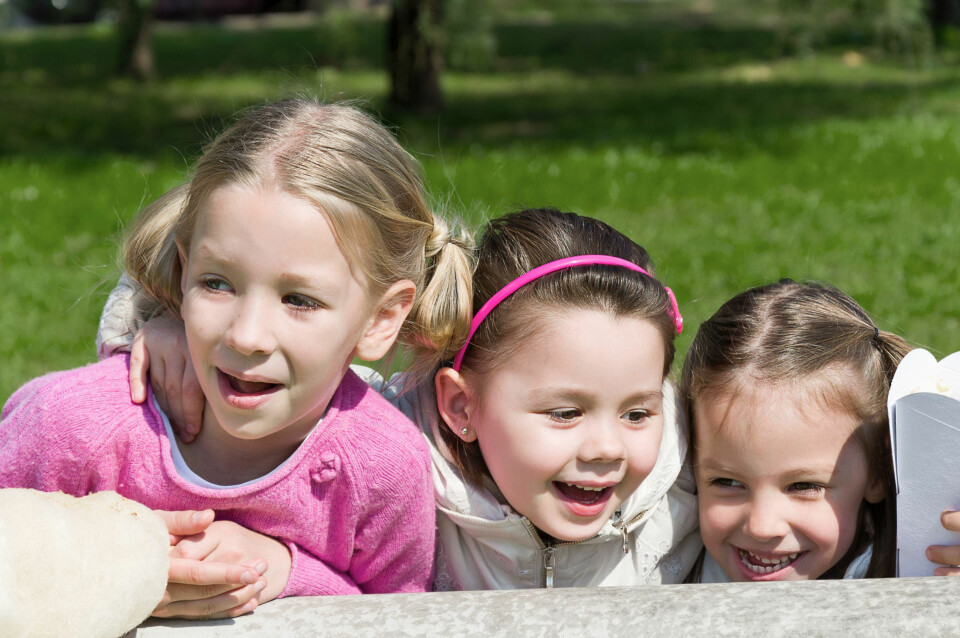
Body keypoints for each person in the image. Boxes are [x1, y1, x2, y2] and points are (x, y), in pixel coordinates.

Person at [1, 98, 474, 617]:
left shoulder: (385, 467)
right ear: (184, 273)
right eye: (217, 283)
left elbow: (402, 620)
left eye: (299, 300)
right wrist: (111, 564)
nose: (247, 337)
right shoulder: (65, 426)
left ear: (381, 319)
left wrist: (287, 572)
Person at [103, 207, 703, 593]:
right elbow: (235, 225)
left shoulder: (695, 468)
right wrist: (163, 318)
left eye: (636, 412)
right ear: (459, 408)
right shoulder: (384, 446)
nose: (607, 448)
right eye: (565, 412)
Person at [680, 280, 908, 581]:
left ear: (880, 470)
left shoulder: (924, 570)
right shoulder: (663, 557)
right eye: (727, 482)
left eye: (803, 486)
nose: (762, 527)